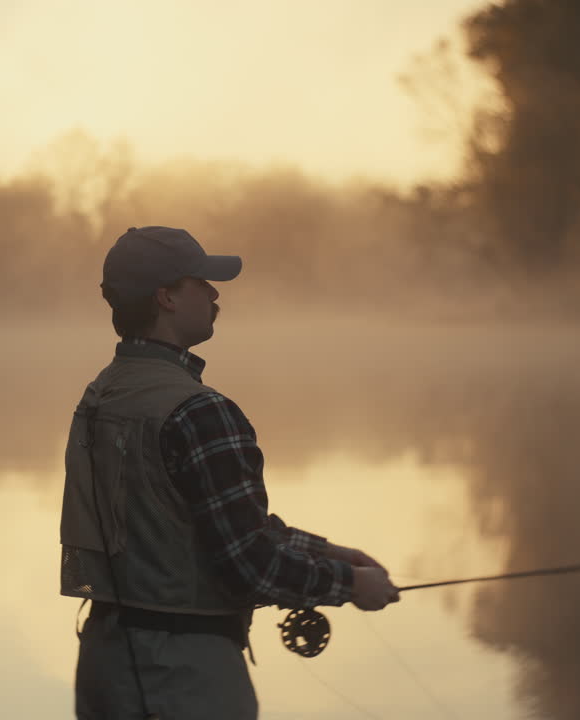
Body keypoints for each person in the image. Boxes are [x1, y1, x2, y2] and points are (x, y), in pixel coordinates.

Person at [60, 226, 400, 720]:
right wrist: (348, 585)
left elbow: (197, 528)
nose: (215, 293)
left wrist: (330, 553)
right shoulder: (201, 411)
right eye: (201, 281)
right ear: (167, 297)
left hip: (104, 661)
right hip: (187, 678)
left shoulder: (100, 397)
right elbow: (250, 565)